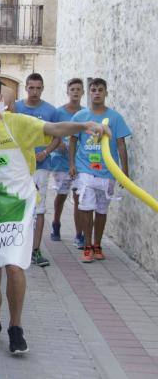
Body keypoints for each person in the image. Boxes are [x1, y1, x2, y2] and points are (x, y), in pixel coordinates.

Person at [0, 73, 108, 354]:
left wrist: (84, 124)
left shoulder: (19, 123)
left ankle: (16, 327)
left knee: (14, 268)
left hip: (20, 206)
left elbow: (55, 127)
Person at [69, 78, 131, 263]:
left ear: (106, 92)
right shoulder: (80, 117)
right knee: (86, 206)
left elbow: (121, 144)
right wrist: (72, 164)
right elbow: (73, 139)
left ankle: (97, 244)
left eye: (100, 90)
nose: (97, 93)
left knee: (102, 209)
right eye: (94, 89)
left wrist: (124, 171)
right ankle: (87, 246)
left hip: (107, 171)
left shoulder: (115, 117)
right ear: (89, 93)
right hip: (85, 168)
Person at [14, 73, 59, 268]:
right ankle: (16, 248)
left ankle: (35, 250)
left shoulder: (51, 111)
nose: (34, 91)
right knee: (17, 207)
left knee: (38, 209)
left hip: (41, 167)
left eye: (38, 88)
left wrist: (47, 152)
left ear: (43, 88)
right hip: (18, 167)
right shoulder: (16, 107)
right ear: (25, 88)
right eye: (31, 87)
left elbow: (57, 136)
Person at [50, 78, 86, 246]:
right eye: (72, 89)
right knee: (62, 194)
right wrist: (58, 145)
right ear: (68, 92)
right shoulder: (58, 112)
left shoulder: (86, 114)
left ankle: (79, 234)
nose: (75, 92)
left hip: (80, 162)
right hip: (61, 161)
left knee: (78, 196)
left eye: (78, 89)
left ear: (82, 92)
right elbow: (52, 133)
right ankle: (56, 223)